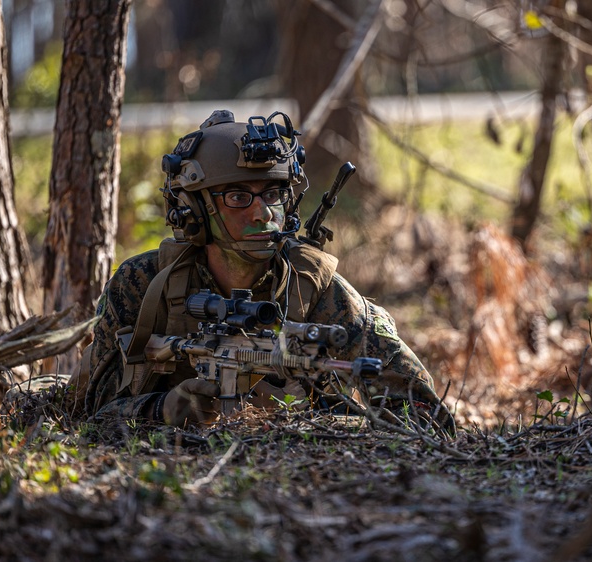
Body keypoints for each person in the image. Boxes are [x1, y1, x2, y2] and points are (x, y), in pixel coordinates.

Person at [83, 109, 453, 432]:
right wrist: (161, 410)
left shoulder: (317, 289)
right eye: (238, 197)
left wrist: (317, 423)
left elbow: (426, 417)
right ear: (194, 210)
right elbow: (87, 413)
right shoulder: (142, 285)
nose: (261, 214)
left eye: (272, 195)